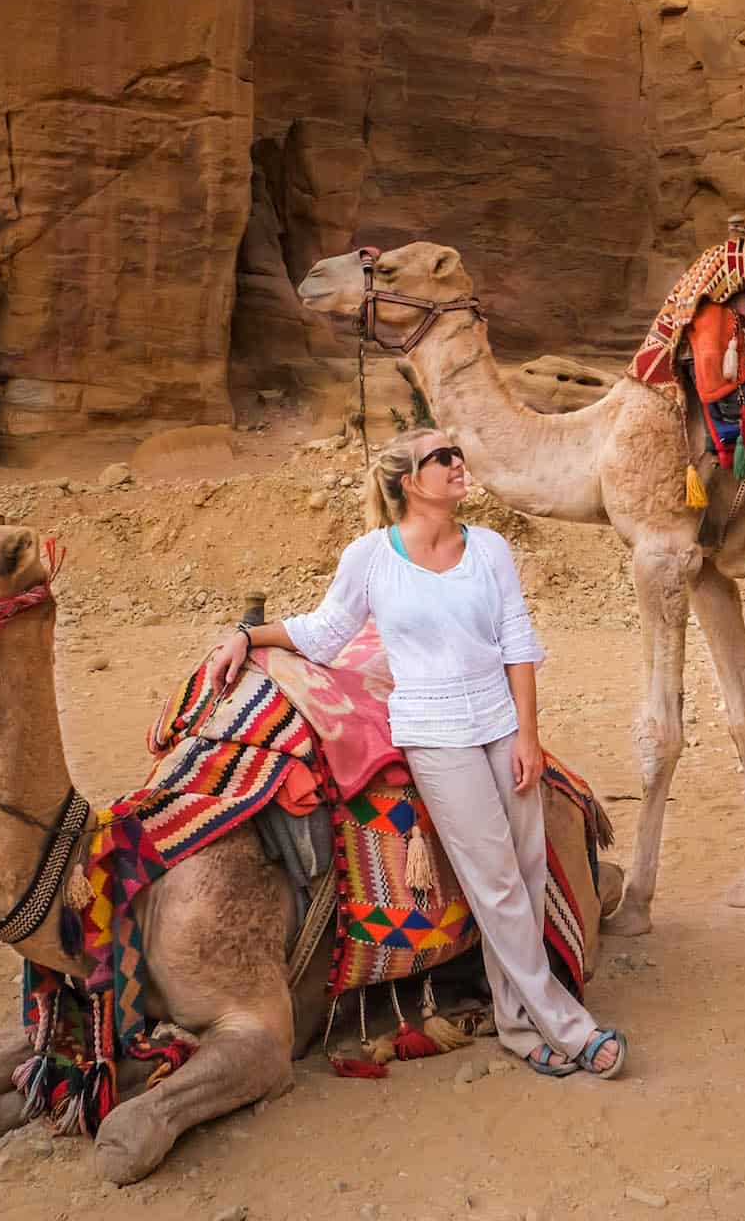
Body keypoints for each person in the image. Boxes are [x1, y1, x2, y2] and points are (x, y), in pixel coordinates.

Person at [206, 426, 627, 1079]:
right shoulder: (371, 558)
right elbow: (324, 631)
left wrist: (527, 733)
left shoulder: (488, 549)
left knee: (528, 870)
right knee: (497, 885)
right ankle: (567, 1026)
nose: (460, 464)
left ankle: (516, 1026)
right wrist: (245, 636)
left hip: (497, 723)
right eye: (444, 458)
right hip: (434, 735)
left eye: (458, 453)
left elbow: (517, 638)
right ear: (411, 482)